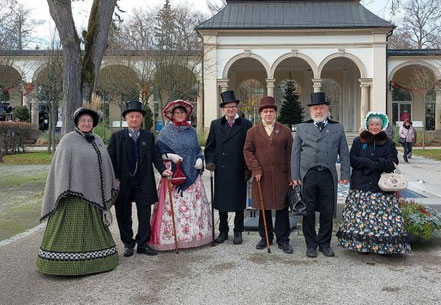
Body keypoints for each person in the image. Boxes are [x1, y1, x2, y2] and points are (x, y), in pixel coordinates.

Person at [36, 107, 119, 275]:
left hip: (93, 198)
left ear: (93, 123)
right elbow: (60, 169)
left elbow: (105, 165)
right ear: (77, 123)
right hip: (72, 197)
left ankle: (96, 262)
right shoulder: (68, 141)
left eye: (89, 121)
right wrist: (64, 187)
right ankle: (63, 265)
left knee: (93, 230)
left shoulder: (98, 140)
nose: (86, 123)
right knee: (70, 230)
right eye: (83, 121)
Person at [337, 112, 411, 254]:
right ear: (367, 125)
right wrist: (371, 163)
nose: (374, 127)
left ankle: (385, 246)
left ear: (382, 125)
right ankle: (362, 245)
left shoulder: (389, 143)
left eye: (377, 124)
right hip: (361, 185)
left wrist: (374, 164)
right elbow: (352, 159)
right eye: (372, 124)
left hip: (381, 187)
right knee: (361, 218)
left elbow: (392, 162)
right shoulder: (359, 141)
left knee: (383, 219)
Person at [108, 101, 172, 257]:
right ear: (126, 118)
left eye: (137, 116)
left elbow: (156, 156)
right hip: (123, 182)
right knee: (124, 214)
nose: (134, 119)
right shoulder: (117, 137)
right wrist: (115, 178)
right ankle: (128, 244)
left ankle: (143, 244)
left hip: (143, 181)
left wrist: (163, 170)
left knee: (144, 214)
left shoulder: (148, 136)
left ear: (142, 118)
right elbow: (111, 161)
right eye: (131, 116)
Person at [291, 92, 350, 258]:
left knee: (327, 210)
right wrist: (295, 175)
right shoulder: (302, 128)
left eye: (321, 108)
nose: (318, 111)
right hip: (308, 175)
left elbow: (344, 153)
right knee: (307, 211)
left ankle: (324, 244)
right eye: (315, 108)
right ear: (310, 111)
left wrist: (345, 173)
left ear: (327, 109)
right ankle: (311, 245)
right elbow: (295, 154)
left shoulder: (337, 128)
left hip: (327, 175)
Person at [150, 100, 212, 250]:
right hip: (173, 175)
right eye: (176, 113)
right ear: (171, 115)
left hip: (192, 175)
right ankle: (171, 238)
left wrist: (199, 159)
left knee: (194, 206)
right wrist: (169, 156)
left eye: (182, 112)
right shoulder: (166, 132)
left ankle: (195, 236)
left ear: (186, 114)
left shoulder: (191, 131)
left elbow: (197, 150)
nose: (179, 115)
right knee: (173, 209)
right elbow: (157, 152)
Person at [243, 96, 294, 254]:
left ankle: (283, 240)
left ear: (275, 113)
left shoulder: (284, 131)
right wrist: (256, 169)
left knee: (281, 208)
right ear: (260, 114)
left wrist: (291, 177)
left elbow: (291, 154)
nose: (268, 114)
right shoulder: (253, 131)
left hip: (281, 176)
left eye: (271, 111)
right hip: (261, 177)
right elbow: (247, 151)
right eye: (265, 111)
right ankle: (265, 237)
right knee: (263, 208)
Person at [205, 90, 252, 244]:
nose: (231, 109)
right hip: (222, 169)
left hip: (239, 169)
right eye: (227, 107)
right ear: (223, 109)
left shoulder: (246, 124)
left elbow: (250, 148)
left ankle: (238, 231)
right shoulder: (216, 124)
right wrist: (210, 161)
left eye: (233, 106)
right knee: (222, 202)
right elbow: (210, 146)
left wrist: (248, 168)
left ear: (237, 108)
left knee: (239, 202)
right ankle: (223, 231)